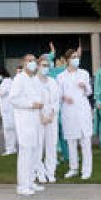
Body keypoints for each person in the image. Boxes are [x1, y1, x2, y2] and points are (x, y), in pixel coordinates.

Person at [11, 54, 44, 195]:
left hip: (35, 120)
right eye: (29, 61)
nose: (32, 63)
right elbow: (14, 99)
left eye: (34, 61)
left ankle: (30, 181)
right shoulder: (19, 79)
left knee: (35, 152)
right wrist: (31, 104)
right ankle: (22, 186)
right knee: (25, 152)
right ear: (24, 63)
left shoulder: (34, 80)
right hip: (24, 121)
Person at [57, 48, 93, 179]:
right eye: (73, 57)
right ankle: (73, 168)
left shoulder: (84, 73)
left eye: (77, 56)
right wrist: (64, 98)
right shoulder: (60, 77)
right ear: (67, 60)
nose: (76, 59)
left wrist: (85, 87)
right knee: (71, 142)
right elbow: (58, 94)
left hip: (83, 110)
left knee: (85, 141)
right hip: (69, 111)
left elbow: (89, 91)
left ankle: (86, 170)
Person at [35, 55, 60, 183]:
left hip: (51, 118)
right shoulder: (33, 82)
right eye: (43, 65)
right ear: (38, 66)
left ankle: (50, 172)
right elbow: (33, 101)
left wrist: (50, 115)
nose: (46, 68)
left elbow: (56, 100)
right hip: (38, 118)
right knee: (38, 146)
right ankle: (40, 172)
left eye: (47, 65)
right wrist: (41, 116)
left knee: (51, 145)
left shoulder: (52, 82)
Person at [0, 66, 17, 156]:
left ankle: (10, 149)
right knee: (11, 130)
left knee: (8, 130)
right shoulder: (7, 82)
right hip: (7, 110)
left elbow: (1, 92)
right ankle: (12, 148)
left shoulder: (7, 82)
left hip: (8, 110)